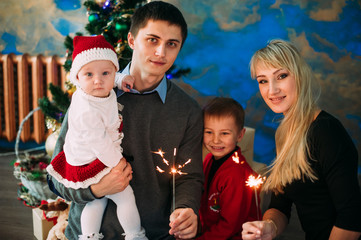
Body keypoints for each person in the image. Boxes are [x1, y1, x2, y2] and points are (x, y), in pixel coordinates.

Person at [48, 1, 204, 240]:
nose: (161, 52)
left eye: (171, 44)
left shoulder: (188, 111)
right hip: (86, 234)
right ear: (131, 40)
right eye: (152, 40)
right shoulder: (88, 97)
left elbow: (189, 177)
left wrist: (186, 209)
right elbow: (56, 177)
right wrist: (96, 190)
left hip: (153, 234)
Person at [241, 39, 361, 240]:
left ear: (300, 76)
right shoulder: (285, 133)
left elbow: (352, 219)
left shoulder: (326, 131)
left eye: (281, 76)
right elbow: (280, 206)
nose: (272, 90)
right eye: (263, 80)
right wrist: (269, 227)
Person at [46, 35, 147, 240]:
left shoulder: (99, 87)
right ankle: (135, 235)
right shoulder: (85, 109)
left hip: (89, 156)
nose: (98, 80)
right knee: (125, 197)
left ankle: (89, 236)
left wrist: (120, 79)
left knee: (96, 201)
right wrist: (117, 162)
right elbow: (99, 143)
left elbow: (107, 75)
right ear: (77, 78)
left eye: (106, 73)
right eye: (89, 74)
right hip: (90, 160)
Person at [196, 97, 261, 240]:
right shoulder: (209, 159)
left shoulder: (237, 175)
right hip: (211, 229)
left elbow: (230, 226)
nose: (216, 140)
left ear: (240, 135)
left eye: (224, 133)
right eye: (209, 132)